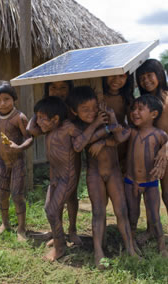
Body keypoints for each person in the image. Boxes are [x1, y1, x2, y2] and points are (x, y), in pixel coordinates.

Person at [27, 95, 107, 261]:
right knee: (50, 209)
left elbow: (80, 143)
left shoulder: (68, 127)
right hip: (55, 178)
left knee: (51, 210)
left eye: (42, 118)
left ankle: (61, 246)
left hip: (67, 178)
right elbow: (31, 128)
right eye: (38, 117)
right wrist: (39, 113)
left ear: (56, 119)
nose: (38, 122)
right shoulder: (48, 129)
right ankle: (60, 237)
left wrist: (96, 125)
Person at [67, 86, 137, 269]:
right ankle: (99, 253)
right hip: (95, 173)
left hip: (113, 171)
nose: (91, 113)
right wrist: (99, 127)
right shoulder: (78, 127)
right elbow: (78, 145)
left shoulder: (105, 116)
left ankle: (130, 248)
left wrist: (109, 125)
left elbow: (122, 136)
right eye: (85, 110)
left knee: (121, 210)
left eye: (93, 108)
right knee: (98, 212)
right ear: (74, 111)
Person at [107, 94, 168, 256]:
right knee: (132, 215)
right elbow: (119, 137)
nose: (135, 112)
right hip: (130, 181)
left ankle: (162, 245)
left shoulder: (160, 135)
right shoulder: (131, 132)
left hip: (151, 183)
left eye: (141, 109)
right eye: (133, 109)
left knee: (155, 216)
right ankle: (131, 242)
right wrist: (113, 119)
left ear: (154, 114)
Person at [0, 81, 33, 241]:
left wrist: (19, 147)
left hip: (17, 163)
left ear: (14, 98)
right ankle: (5, 224)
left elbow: (29, 138)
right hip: (1, 163)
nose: (2, 103)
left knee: (17, 195)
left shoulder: (19, 117)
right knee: (2, 195)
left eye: (6, 99)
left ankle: (21, 228)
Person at [40, 80, 82, 246]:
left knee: (71, 196)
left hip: (72, 160)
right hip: (55, 163)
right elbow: (32, 129)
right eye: (53, 87)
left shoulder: (73, 110)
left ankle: (72, 230)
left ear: (70, 90)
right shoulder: (45, 109)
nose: (58, 91)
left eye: (63, 87)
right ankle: (57, 231)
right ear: (47, 90)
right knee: (55, 193)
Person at [136, 59, 168, 241]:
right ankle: (150, 230)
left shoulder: (167, 99)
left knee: (167, 194)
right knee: (149, 195)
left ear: (159, 75)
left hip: (166, 156)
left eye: (149, 75)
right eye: (141, 78)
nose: (145, 80)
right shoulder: (141, 102)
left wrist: (166, 148)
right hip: (147, 157)